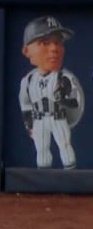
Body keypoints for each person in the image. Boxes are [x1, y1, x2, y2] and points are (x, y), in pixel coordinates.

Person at [19, 15, 85, 170]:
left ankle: (72, 181)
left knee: (65, 148)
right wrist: (29, 124)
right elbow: (26, 104)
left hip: (58, 118)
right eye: (45, 43)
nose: (54, 49)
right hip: (39, 120)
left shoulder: (64, 77)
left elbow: (75, 103)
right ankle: (42, 187)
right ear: (26, 50)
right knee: (41, 152)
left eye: (58, 42)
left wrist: (63, 99)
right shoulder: (28, 81)